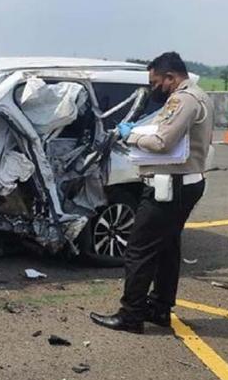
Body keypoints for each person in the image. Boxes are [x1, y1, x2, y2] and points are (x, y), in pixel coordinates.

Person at [90, 51, 213, 334]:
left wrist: (129, 134)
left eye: (156, 82)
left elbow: (162, 142)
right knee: (167, 247)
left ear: (171, 78)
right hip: (186, 183)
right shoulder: (199, 95)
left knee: (138, 250)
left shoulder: (182, 100)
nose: (153, 88)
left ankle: (131, 315)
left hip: (170, 186)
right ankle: (159, 308)